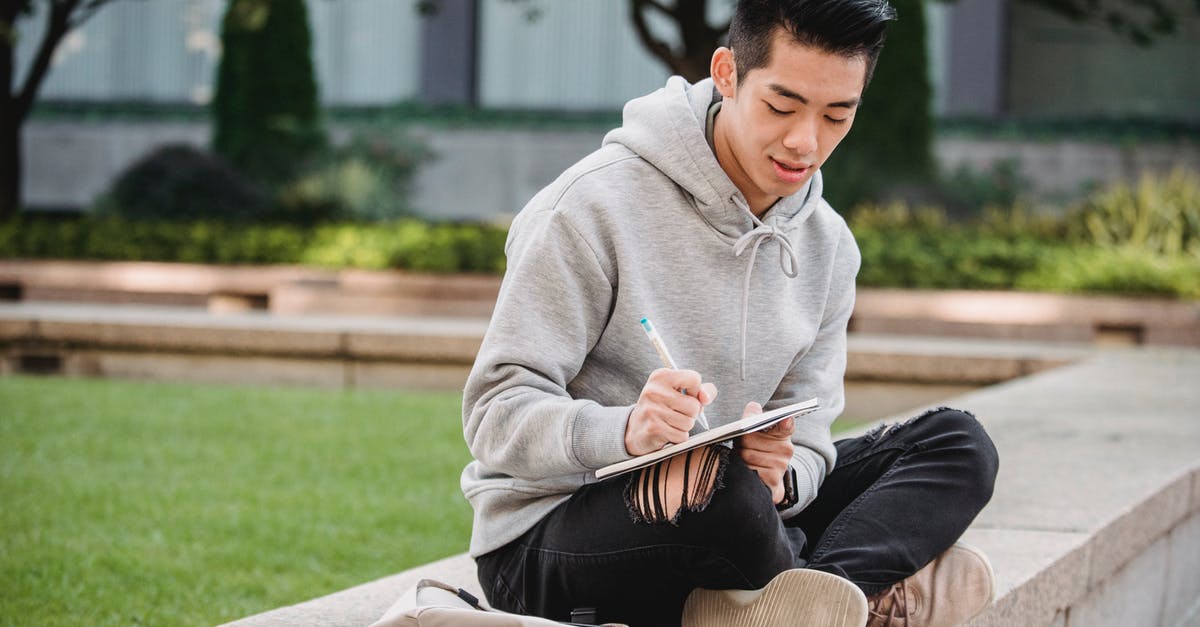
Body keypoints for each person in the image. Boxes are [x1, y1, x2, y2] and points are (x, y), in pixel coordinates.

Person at [460, 0, 999, 625]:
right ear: (726, 73)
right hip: (549, 540)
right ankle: (855, 595)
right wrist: (627, 430)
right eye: (781, 106)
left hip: (740, 513)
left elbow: (814, 432)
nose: (806, 141)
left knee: (956, 444)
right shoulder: (591, 208)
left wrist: (785, 475)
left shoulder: (829, 247)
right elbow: (494, 413)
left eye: (836, 115)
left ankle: (807, 599)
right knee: (720, 487)